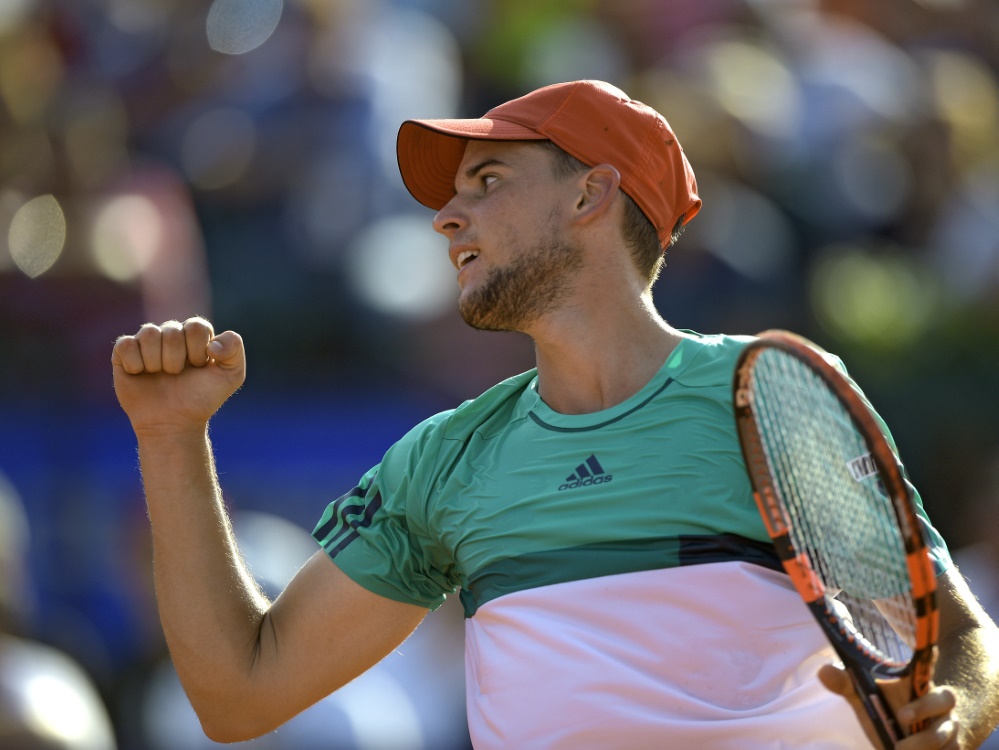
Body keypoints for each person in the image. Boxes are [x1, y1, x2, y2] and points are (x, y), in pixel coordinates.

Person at [111, 80, 999, 748]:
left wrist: (953, 721)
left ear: (590, 195)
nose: (445, 219)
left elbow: (961, 637)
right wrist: (170, 435)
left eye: (486, 179)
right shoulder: (441, 461)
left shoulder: (763, 399)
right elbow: (239, 696)